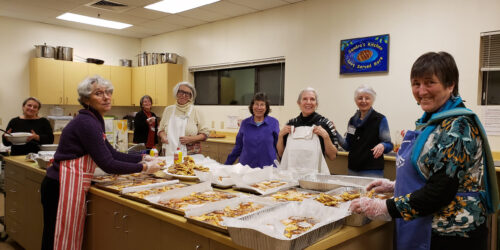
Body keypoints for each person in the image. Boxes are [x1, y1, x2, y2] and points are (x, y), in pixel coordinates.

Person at [349, 52, 499, 250]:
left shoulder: (458, 128)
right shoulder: (434, 120)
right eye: (416, 83)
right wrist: (396, 185)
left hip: (452, 236)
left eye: (430, 82)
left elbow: (440, 191)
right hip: (427, 229)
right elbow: (435, 173)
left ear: (450, 84)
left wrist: (384, 207)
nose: (421, 91)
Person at [40, 76, 162, 250]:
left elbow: (111, 152)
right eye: (98, 93)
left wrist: (143, 157)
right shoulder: (86, 122)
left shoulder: (95, 119)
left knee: (61, 237)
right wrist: (144, 168)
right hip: (60, 184)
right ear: (85, 99)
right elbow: (108, 163)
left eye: (108, 92)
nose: (106, 97)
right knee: (56, 239)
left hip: (67, 182)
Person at [277, 87, 339, 174]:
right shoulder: (290, 124)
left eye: (312, 99)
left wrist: (326, 137)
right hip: (291, 177)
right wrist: (280, 136)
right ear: (299, 103)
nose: (308, 102)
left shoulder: (326, 124)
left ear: (316, 104)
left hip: (316, 179)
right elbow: (281, 154)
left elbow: (332, 156)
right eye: (305, 99)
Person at [336, 85, 393, 178]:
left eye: (367, 98)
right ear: (355, 100)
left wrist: (383, 145)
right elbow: (347, 146)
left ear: (372, 100)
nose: (363, 101)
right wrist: (335, 133)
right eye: (360, 98)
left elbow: (389, 145)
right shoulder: (352, 121)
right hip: (353, 170)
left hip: (372, 171)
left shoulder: (380, 119)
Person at [225, 92, 280, 168]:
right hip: (246, 168)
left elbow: (279, 146)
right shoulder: (245, 123)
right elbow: (238, 147)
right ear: (252, 106)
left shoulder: (273, 122)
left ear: (266, 107)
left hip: (267, 169)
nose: (259, 107)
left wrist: (284, 166)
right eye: (256, 104)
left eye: (262, 104)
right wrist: (226, 166)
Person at [158, 81, 210, 156]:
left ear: (191, 96)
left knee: (187, 168)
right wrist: (163, 136)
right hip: (168, 151)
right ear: (176, 93)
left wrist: (191, 139)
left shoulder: (196, 111)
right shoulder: (168, 110)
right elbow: (161, 129)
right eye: (181, 92)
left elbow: (205, 134)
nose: (184, 95)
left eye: (188, 93)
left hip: (190, 153)